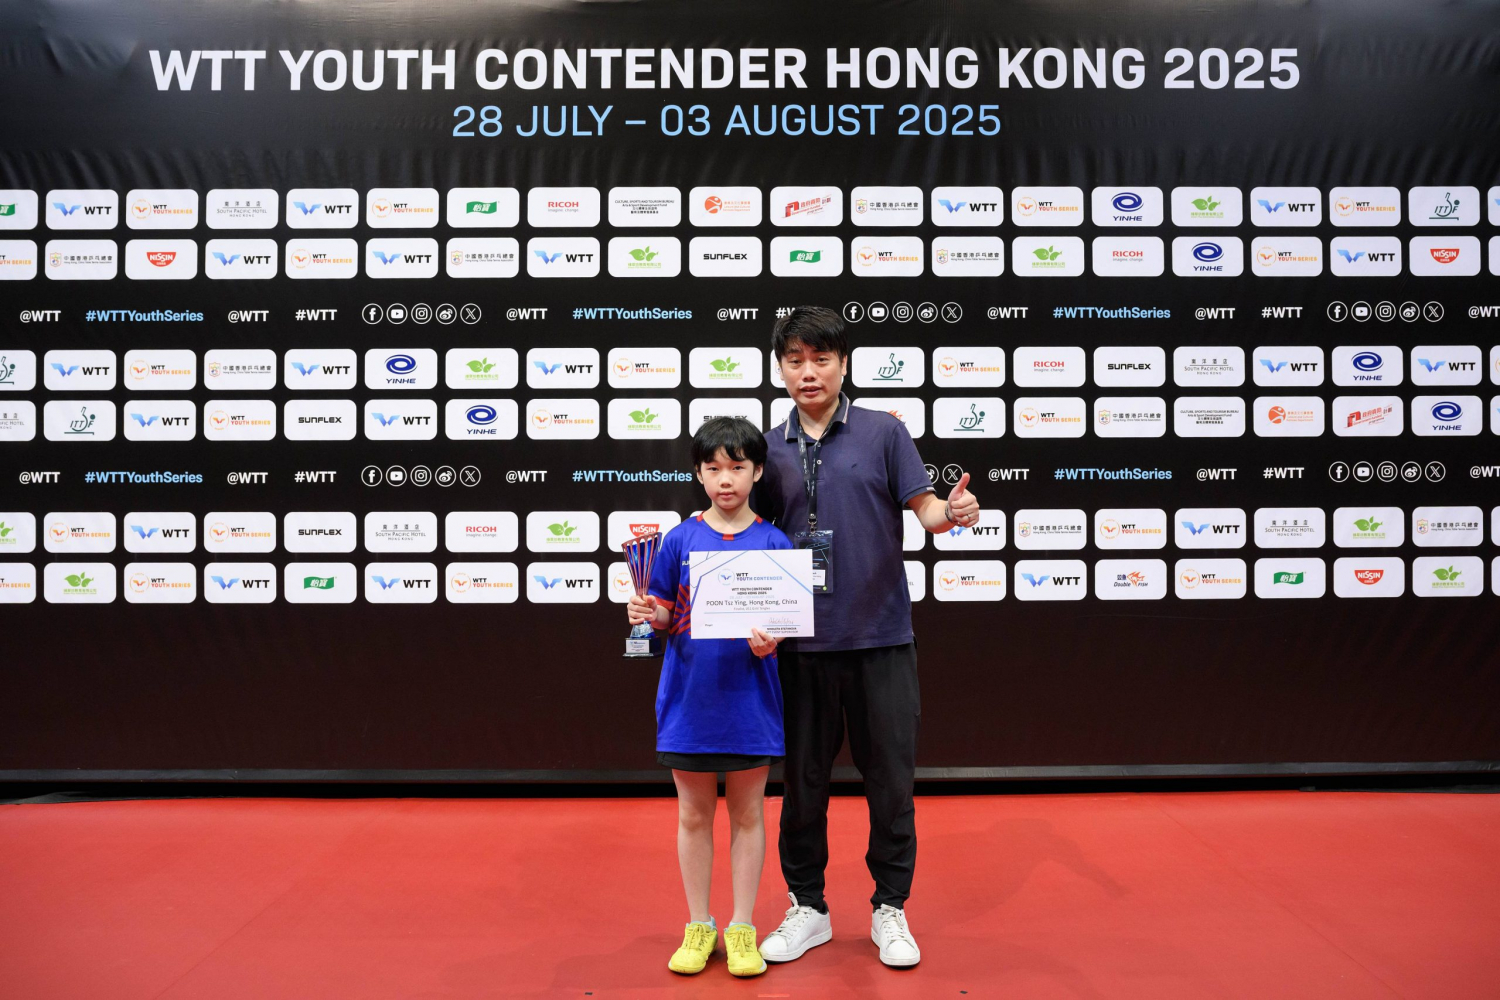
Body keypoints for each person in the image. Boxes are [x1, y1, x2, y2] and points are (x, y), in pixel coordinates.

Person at [754, 306, 980, 968]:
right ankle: (808, 906)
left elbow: (926, 509)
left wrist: (951, 512)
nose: (808, 372)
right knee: (802, 787)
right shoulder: (766, 447)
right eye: (795, 360)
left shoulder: (885, 432)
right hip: (799, 647)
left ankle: (890, 908)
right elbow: (747, 536)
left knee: (890, 783)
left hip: (881, 638)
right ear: (781, 369)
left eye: (821, 359)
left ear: (843, 364)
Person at [627, 415, 795, 978]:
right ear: (699, 474)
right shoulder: (678, 539)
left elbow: (784, 624)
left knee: (749, 814)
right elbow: (663, 613)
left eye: (737, 467)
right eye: (714, 468)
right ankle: (699, 924)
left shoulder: (774, 542)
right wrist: (648, 612)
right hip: (689, 701)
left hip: (751, 702)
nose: (726, 479)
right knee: (694, 815)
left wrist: (773, 639)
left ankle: (742, 927)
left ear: (757, 472)